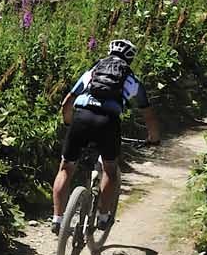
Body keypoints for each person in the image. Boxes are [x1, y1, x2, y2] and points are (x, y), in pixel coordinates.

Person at [52, 40, 160, 236]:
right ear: (130, 59)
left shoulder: (92, 72)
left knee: (66, 167)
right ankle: (102, 217)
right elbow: (148, 114)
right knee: (110, 168)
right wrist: (154, 138)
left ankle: (57, 219)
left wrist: (69, 123)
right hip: (107, 122)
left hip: (81, 118)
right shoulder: (133, 80)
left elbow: (68, 101)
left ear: (109, 53)